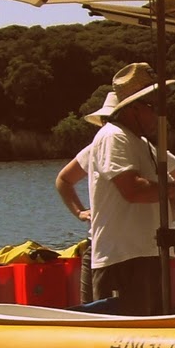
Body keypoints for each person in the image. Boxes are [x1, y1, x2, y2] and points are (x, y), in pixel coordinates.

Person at [81, 63, 175, 315]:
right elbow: (133, 190)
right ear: (134, 109)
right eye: (151, 106)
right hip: (122, 258)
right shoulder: (113, 136)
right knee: (122, 333)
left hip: (141, 254)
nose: (156, 113)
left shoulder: (137, 141)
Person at [53, 91, 119, 305]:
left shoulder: (144, 148)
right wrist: (80, 212)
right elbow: (64, 180)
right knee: (91, 306)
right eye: (106, 122)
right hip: (99, 243)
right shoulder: (95, 149)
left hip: (126, 248)